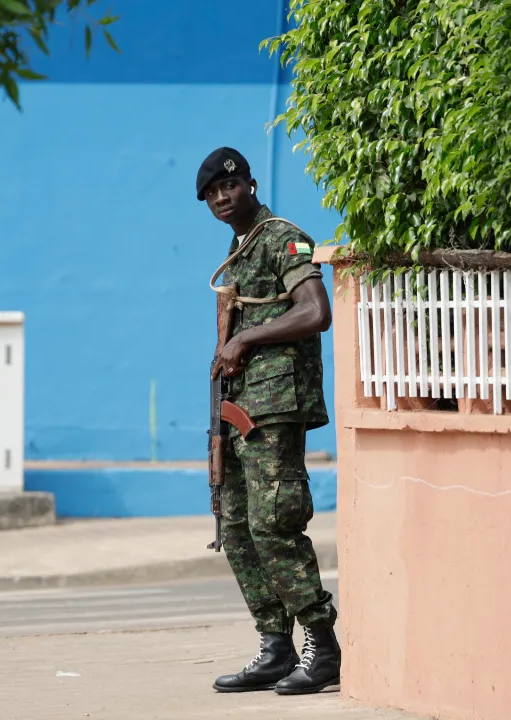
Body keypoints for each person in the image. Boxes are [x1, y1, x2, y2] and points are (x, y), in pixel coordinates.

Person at [197, 146, 341, 695]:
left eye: (229, 186)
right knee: (235, 528)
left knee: (273, 523)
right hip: (240, 409)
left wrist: (247, 338)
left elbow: (316, 311)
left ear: (250, 185)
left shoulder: (282, 238)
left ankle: (322, 647)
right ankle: (275, 646)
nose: (221, 197)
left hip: (277, 406)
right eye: (212, 193)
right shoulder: (237, 254)